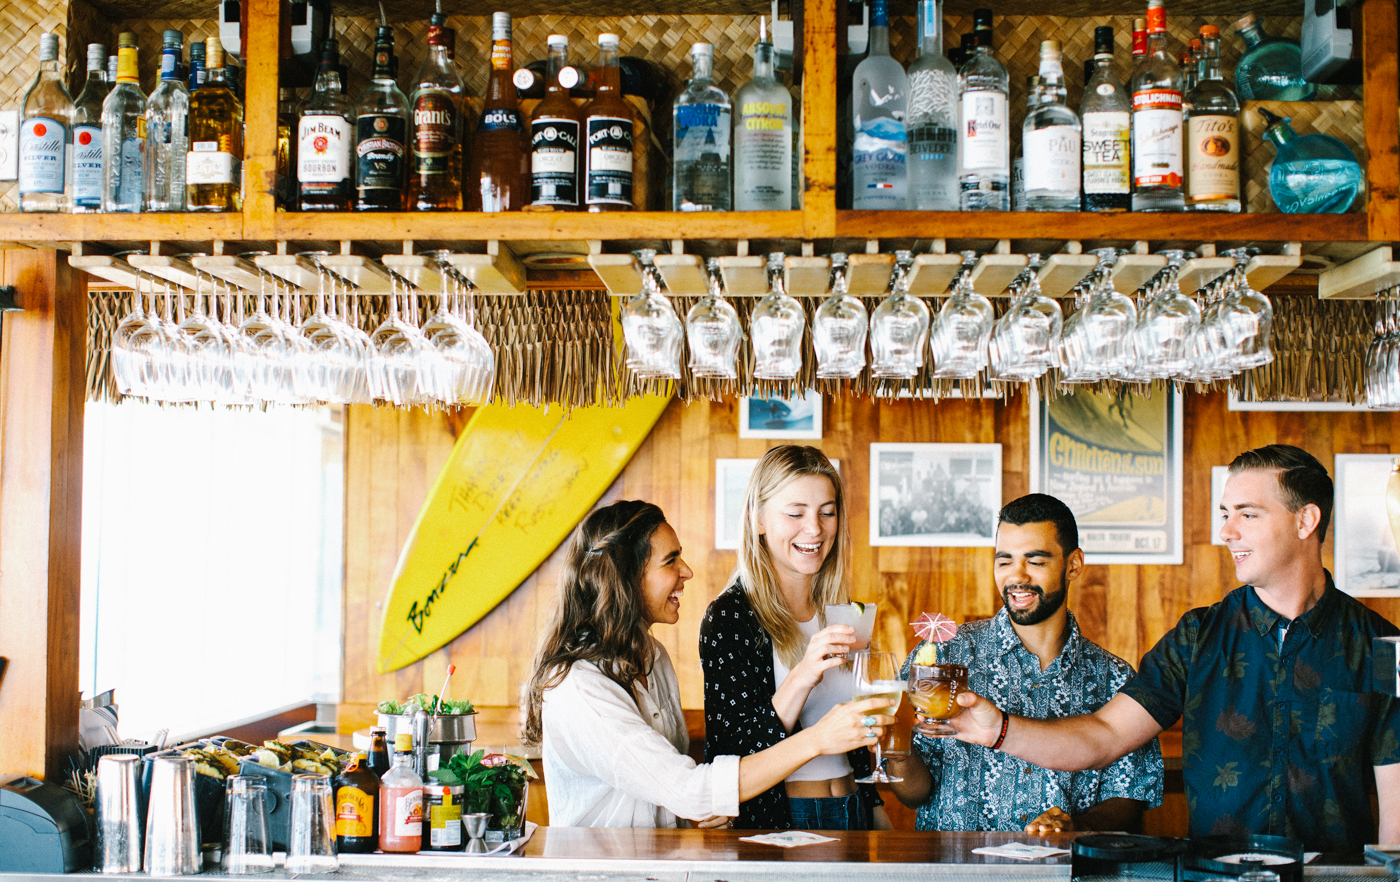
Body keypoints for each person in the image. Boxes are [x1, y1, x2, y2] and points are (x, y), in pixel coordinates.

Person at [950, 445, 1400, 852]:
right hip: (1213, 876)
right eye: (1225, 512)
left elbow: (1397, 815)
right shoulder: (1196, 636)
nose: (1226, 531)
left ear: (1306, 520)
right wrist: (997, 730)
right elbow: (1103, 738)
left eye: (1247, 514)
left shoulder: (1382, 645)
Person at [523, 499, 892, 828]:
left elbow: (672, 787)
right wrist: (818, 739)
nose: (687, 571)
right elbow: (688, 790)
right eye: (670, 561)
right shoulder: (578, 686)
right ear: (624, 578)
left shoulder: (653, 657)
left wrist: (700, 806)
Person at [887, 494, 1163, 833]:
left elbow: (1129, 799)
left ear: (1073, 565)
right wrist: (895, 746)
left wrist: (1071, 826)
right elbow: (914, 794)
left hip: (1064, 873)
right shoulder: (942, 655)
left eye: (1035, 561)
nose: (1017, 576)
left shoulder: (1115, 677)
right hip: (958, 869)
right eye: (1004, 561)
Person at [700, 445, 883, 830]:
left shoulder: (845, 611)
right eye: (795, 513)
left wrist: (876, 815)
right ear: (759, 519)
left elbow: (856, 744)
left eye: (827, 512)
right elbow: (733, 758)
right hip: (785, 819)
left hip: (853, 810)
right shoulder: (731, 616)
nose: (814, 529)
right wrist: (803, 675)